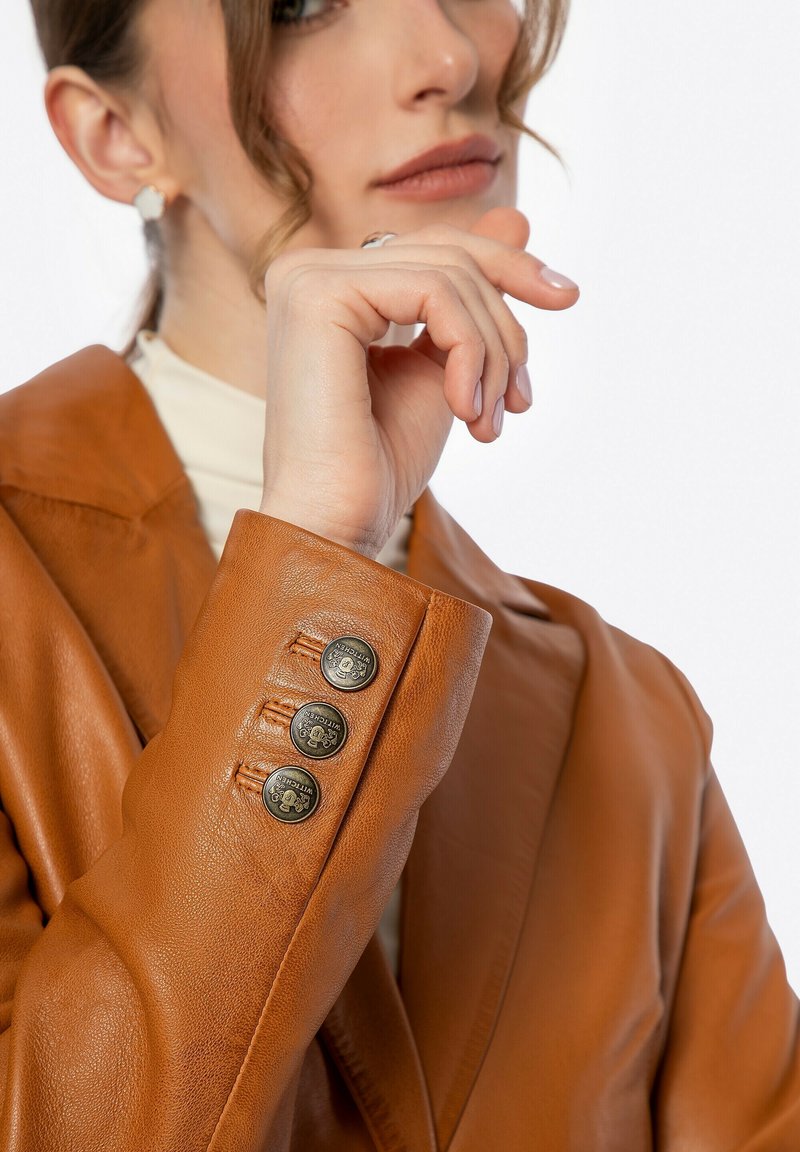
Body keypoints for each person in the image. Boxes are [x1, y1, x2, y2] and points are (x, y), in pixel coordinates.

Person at [1, 0, 798, 1149]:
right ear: (114, 135)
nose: (451, 56)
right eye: (301, 6)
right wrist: (316, 551)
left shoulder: (631, 722)